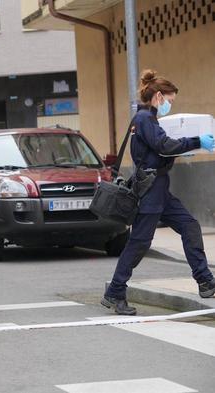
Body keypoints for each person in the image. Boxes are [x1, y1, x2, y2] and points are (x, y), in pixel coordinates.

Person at [102, 69, 215, 315]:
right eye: (170, 100)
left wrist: (182, 150)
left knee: (189, 226)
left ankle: (205, 281)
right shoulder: (144, 119)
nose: (170, 106)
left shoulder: (150, 120)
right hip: (150, 190)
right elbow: (163, 145)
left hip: (160, 188)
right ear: (159, 97)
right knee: (139, 243)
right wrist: (197, 142)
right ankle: (115, 292)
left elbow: (162, 149)